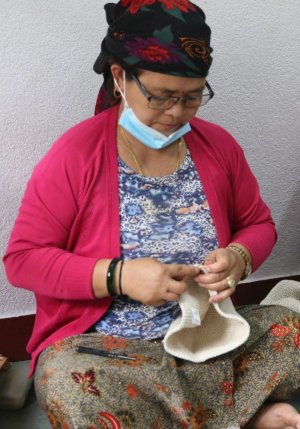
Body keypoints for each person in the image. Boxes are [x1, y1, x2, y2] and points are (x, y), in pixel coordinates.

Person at [3, 1, 300, 428]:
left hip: (205, 335)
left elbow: (258, 223)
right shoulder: (76, 155)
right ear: (121, 77)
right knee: (69, 382)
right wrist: (118, 277)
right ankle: (239, 414)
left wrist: (238, 256)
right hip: (113, 350)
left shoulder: (218, 147)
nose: (177, 113)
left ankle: (205, 414)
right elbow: (23, 259)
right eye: (161, 97)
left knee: (291, 329)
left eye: (192, 97)